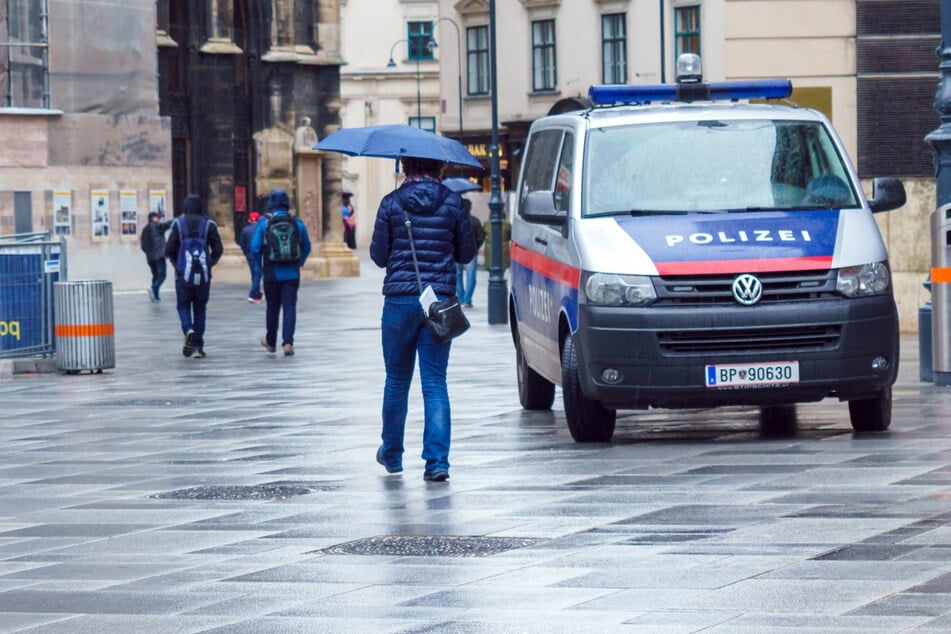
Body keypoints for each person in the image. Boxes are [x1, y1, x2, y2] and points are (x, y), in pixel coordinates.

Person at [369, 157, 476, 482]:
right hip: (438, 302)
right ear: (439, 168)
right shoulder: (454, 203)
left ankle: (392, 454)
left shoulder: (390, 203)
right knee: (434, 383)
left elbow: (377, 256)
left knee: (397, 381)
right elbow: (466, 254)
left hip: (400, 302)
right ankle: (437, 462)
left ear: (407, 167)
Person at [251, 188, 312, 357]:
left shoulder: (264, 223)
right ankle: (288, 343)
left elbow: (255, 248)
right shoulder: (296, 223)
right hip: (292, 273)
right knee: (289, 307)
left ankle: (271, 342)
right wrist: (299, 261)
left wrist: (260, 264)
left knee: (272, 307)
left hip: (271, 272)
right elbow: (306, 246)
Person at [164, 194, 223, 359]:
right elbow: (218, 249)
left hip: (183, 276)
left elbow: (169, 249)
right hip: (203, 277)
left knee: (182, 306)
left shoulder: (178, 224)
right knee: (200, 309)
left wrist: (178, 266)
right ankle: (198, 346)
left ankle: (187, 329)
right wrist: (208, 264)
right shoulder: (209, 225)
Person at [454, 198, 485, 308]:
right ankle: (467, 300)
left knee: (457, 275)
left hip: (457, 251)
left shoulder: (455, 220)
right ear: (470, 208)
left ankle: (461, 299)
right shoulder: (475, 221)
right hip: (472, 251)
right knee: (471, 275)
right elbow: (481, 236)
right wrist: (476, 247)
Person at [139, 211, 173, 302]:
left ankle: (156, 296)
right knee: (162, 275)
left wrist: (149, 252)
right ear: (153, 218)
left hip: (150, 258)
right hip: (159, 256)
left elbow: (142, 246)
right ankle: (153, 288)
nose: (158, 219)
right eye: (157, 217)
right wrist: (180, 218)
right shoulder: (156, 226)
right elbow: (167, 224)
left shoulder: (145, 229)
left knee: (156, 275)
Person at [238, 211, 263, 304]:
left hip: (249, 255)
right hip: (259, 254)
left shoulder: (245, 230)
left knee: (254, 273)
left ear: (249, 220)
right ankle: (253, 294)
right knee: (258, 274)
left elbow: (242, 243)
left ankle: (257, 292)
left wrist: (246, 252)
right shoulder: (260, 228)